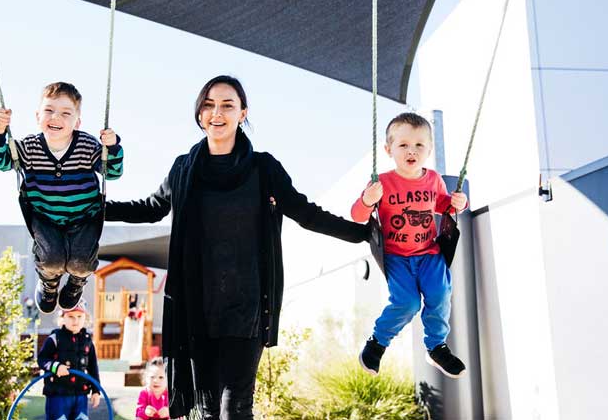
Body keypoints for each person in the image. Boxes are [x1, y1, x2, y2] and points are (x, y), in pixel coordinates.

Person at [105, 75, 368, 419]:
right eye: (209, 105)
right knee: (208, 410)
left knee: (235, 408)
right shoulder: (184, 168)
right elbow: (151, 208)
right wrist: (97, 207)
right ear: (200, 114)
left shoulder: (263, 168)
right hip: (196, 308)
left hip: (246, 308)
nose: (217, 112)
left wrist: (361, 233)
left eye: (228, 105)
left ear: (243, 113)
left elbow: (305, 212)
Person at [0, 82, 124, 313]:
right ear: (38, 116)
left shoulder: (87, 145)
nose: (56, 117)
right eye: (49, 110)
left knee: (81, 264)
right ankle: (49, 285)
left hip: (84, 216)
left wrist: (113, 146)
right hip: (44, 216)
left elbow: (113, 172)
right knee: (51, 260)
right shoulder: (29, 147)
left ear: (77, 122)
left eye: (66, 113)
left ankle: (76, 284)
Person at [351, 112, 468, 378]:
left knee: (440, 295)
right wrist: (368, 200)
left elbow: (445, 205)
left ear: (428, 150)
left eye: (419, 145)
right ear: (388, 149)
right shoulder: (381, 183)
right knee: (407, 303)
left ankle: (437, 346)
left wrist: (459, 203)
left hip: (430, 253)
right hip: (396, 256)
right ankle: (377, 343)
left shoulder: (433, 179)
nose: (411, 151)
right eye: (403, 145)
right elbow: (358, 217)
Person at [37, 300, 101, 420]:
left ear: (85, 318)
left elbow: (93, 367)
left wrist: (96, 390)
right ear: (62, 318)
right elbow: (42, 359)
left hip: (80, 394)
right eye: (70, 316)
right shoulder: (55, 339)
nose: (75, 320)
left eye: (79, 316)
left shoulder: (87, 341)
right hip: (58, 394)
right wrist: (55, 367)